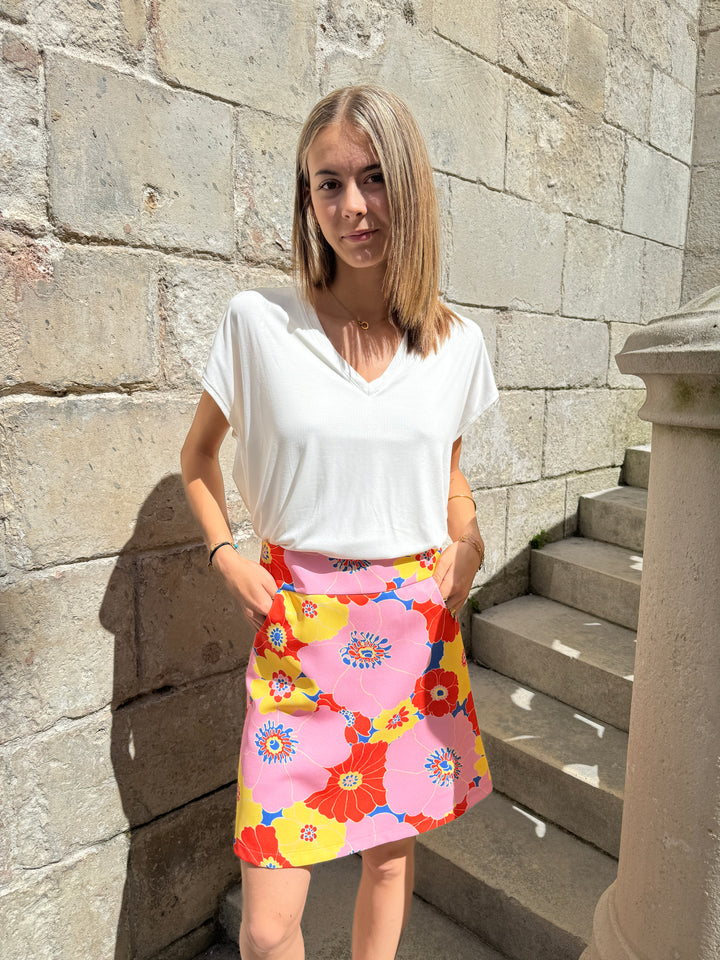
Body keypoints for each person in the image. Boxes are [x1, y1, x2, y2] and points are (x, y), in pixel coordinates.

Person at [180, 84, 498, 960]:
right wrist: (226, 555)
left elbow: (447, 474)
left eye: (373, 177)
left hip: (410, 631)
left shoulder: (456, 344)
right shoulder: (258, 323)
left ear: (410, 184)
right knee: (267, 925)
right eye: (329, 183)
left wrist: (469, 541)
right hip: (296, 633)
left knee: (388, 865)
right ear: (307, 197)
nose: (353, 205)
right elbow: (197, 458)